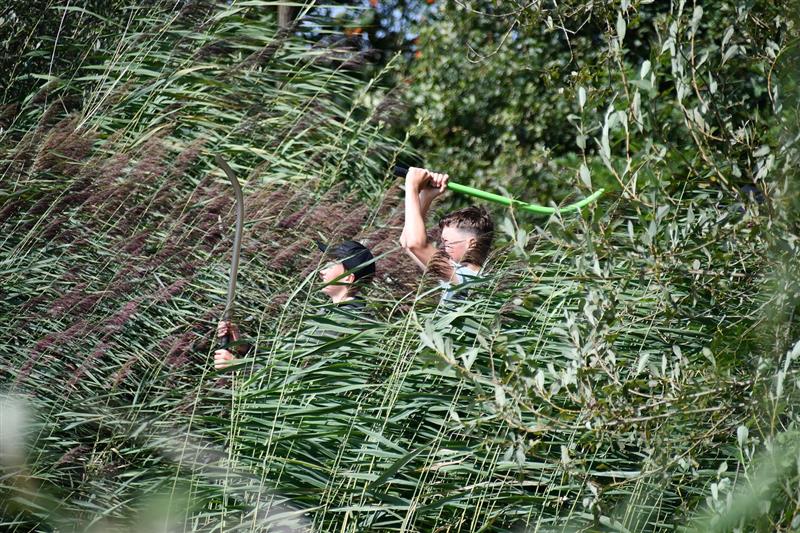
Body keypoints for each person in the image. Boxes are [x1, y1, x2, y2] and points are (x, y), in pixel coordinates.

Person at [214, 240, 376, 370]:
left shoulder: (344, 320)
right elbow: (288, 358)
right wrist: (245, 347)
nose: (322, 271)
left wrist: (239, 365)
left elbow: (297, 369)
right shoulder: (331, 314)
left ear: (348, 277)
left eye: (331, 265)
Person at [399, 167, 494, 301]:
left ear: (471, 244)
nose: (442, 248)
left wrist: (412, 186)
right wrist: (426, 195)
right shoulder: (456, 274)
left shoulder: (467, 278)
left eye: (447, 243)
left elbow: (416, 244)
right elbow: (407, 243)